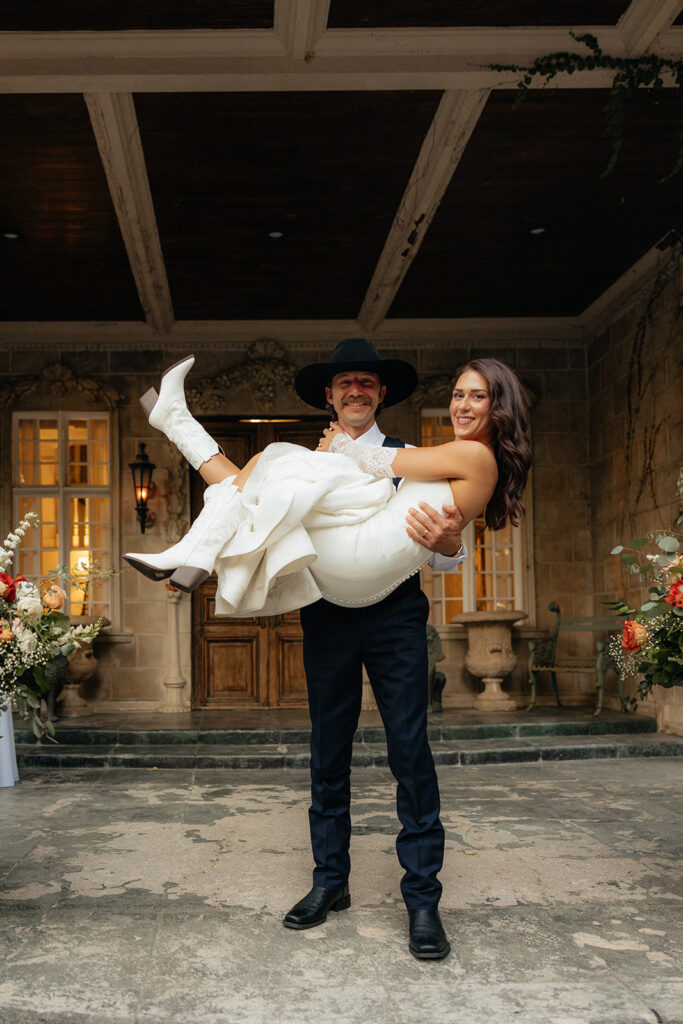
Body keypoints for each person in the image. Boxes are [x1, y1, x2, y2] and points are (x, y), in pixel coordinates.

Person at [124, 341, 531, 960]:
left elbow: (446, 552)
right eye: (346, 384)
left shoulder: (411, 454)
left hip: (394, 611)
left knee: (409, 752)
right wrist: (324, 462)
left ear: (381, 394)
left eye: (367, 383)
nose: (357, 391)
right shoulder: (333, 455)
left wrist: (450, 542)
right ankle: (329, 884)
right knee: (327, 751)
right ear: (330, 396)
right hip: (328, 610)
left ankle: (423, 901)